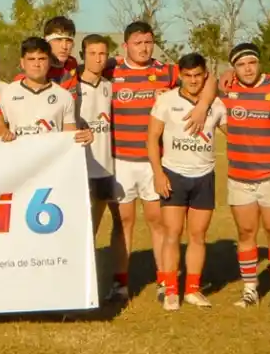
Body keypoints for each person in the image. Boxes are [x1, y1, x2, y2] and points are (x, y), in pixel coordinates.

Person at [148, 53, 226, 311]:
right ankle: (171, 290)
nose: (193, 80)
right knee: (172, 234)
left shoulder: (216, 105)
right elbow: (152, 139)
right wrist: (158, 174)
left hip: (205, 176)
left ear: (205, 75)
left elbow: (236, 133)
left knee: (198, 236)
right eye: (187, 75)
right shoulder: (166, 101)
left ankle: (192, 289)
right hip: (174, 175)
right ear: (180, 75)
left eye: (198, 75)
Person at [109, 20, 179, 299]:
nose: (144, 48)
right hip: (120, 161)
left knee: (157, 220)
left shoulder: (167, 72)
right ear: (125, 46)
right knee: (122, 221)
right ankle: (120, 284)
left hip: (154, 161)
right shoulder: (111, 70)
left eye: (148, 42)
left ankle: (164, 281)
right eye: (138, 43)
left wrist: (223, 80)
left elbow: (203, 79)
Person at [220, 42, 270, 310]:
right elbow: (200, 88)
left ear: (258, 63)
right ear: (234, 68)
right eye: (240, 64)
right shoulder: (227, 90)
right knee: (246, 232)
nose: (247, 68)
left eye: (251, 62)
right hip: (240, 176)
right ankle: (250, 289)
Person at [74, 34, 123, 301]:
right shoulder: (71, 88)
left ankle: (116, 283)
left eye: (103, 54)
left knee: (116, 224)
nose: (98, 59)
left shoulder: (110, 86)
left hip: (107, 168)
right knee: (85, 231)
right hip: (82, 170)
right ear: (83, 55)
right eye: (92, 53)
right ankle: (83, 287)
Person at [0, 38, 86, 143]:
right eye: (31, 59)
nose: (37, 64)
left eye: (42, 59)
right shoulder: (7, 93)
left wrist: (84, 137)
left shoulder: (64, 96)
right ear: (22, 62)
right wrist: (3, 134)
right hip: (18, 158)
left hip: (52, 159)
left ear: (49, 62)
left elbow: (70, 139)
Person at [42, 16, 80, 90]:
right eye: (58, 40)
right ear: (46, 42)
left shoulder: (72, 64)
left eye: (68, 40)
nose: (64, 46)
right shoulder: (34, 68)